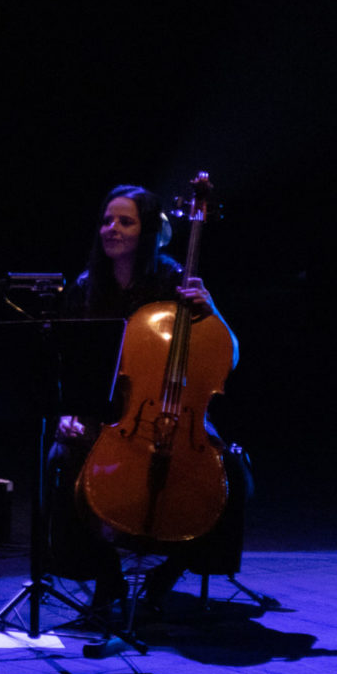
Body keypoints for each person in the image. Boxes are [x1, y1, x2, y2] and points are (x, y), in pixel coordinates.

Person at [48, 184, 244, 610]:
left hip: (168, 409)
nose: (111, 229)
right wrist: (69, 411)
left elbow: (226, 349)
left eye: (125, 221)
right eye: (106, 220)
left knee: (229, 473)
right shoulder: (85, 287)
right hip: (105, 410)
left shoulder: (175, 281)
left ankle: (169, 572)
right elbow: (67, 359)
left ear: (150, 231)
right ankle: (106, 576)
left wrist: (211, 310)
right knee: (62, 460)